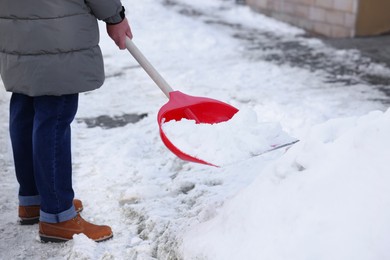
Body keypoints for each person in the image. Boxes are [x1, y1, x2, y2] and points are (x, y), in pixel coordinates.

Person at [0, 0, 133, 242]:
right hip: (57, 28)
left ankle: (34, 200)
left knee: (26, 103)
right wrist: (115, 16)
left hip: (15, 26)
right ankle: (58, 215)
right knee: (54, 111)